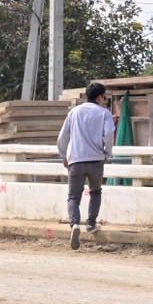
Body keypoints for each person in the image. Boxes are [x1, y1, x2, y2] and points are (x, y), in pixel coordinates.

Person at [57, 82, 117, 250]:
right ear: (100, 97)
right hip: (96, 160)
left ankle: (75, 224)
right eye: (105, 97)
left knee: (73, 197)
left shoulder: (74, 112)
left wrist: (64, 156)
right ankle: (91, 224)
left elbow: (62, 137)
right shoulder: (104, 113)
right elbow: (109, 135)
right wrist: (108, 153)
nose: (105, 101)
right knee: (95, 191)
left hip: (76, 160)